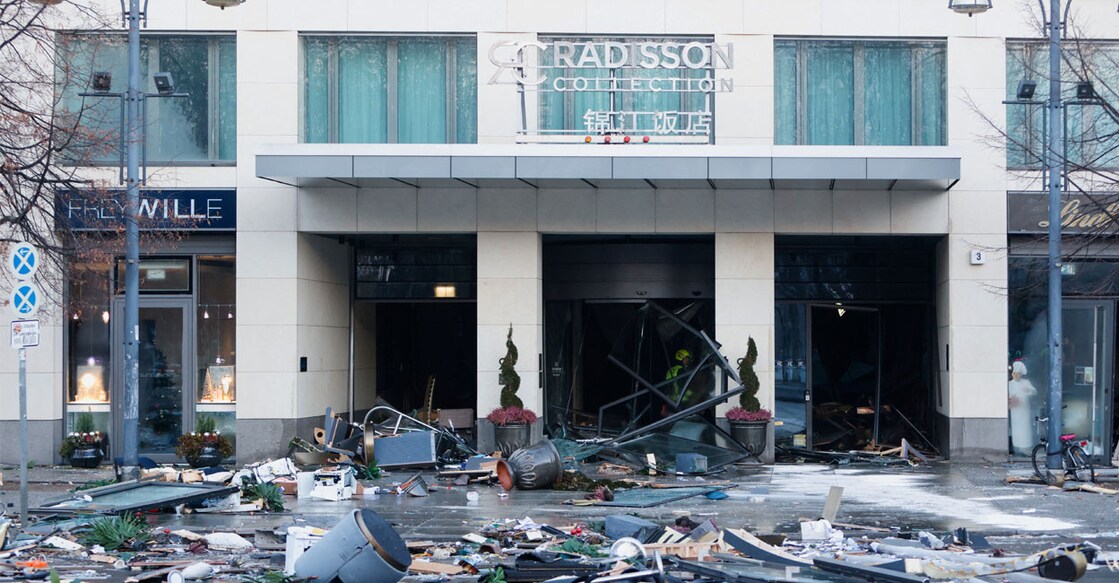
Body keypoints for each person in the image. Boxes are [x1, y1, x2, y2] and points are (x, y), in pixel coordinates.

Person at [1008, 360, 1038, 456]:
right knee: (1016, 429)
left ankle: (1025, 448)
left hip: (1024, 410)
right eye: (1014, 374)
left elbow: (1034, 392)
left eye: (1018, 374)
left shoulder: (1026, 382)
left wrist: (1028, 390)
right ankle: (1016, 447)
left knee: (1024, 429)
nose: (1016, 376)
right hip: (1015, 410)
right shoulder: (1010, 384)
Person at [663, 348, 694, 416]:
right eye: (687, 358)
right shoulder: (681, 371)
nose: (688, 360)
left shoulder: (670, 370)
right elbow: (685, 387)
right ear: (682, 358)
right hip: (681, 402)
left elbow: (666, 387)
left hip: (670, 402)